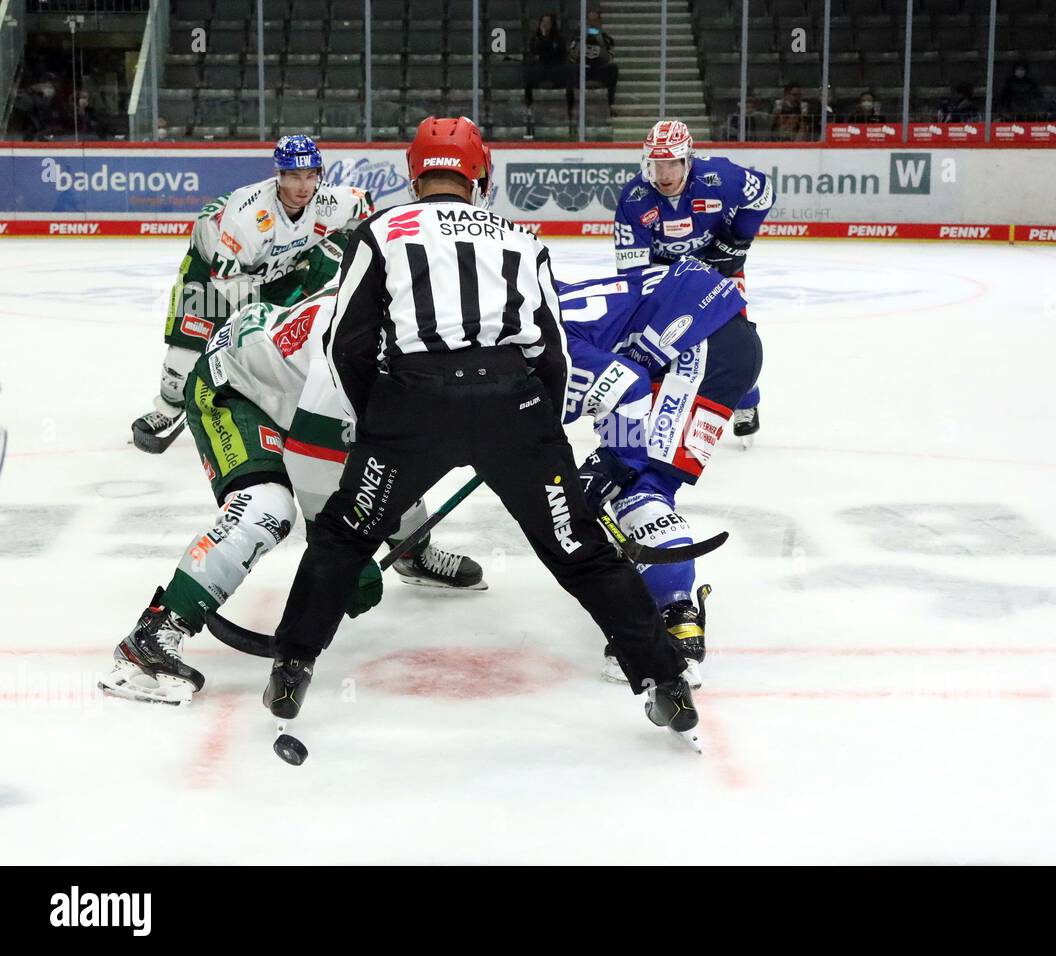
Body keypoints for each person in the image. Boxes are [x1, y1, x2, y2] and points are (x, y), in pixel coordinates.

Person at [261, 116, 699, 742]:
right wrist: (536, 428)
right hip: (511, 405)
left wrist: (380, 418)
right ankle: (666, 683)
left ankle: (293, 664)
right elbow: (553, 352)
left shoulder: (379, 231)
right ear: (480, 173)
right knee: (580, 551)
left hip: (411, 406)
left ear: (415, 174)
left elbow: (346, 342)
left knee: (343, 536)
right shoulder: (520, 238)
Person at [101, 244, 484, 706]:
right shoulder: (351, 342)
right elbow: (315, 462)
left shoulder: (416, 315)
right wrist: (344, 562)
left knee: (391, 459)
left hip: (292, 387)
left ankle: (412, 554)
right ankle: (155, 634)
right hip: (237, 389)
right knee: (267, 508)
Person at [559, 259, 762, 687]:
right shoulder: (536, 302)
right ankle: (673, 608)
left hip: (696, 349)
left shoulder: (547, 345)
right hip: (717, 339)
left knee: (638, 485)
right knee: (636, 470)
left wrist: (613, 463)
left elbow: (626, 383)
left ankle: (674, 624)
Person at [129, 134, 374, 454]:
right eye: (295, 176)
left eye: (311, 175)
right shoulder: (249, 218)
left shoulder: (328, 200)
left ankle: (269, 402)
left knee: (285, 342)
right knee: (184, 357)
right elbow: (227, 278)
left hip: (278, 268)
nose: (304, 186)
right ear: (279, 175)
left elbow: (366, 207)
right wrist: (257, 321)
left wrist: (331, 252)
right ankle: (170, 406)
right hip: (214, 270)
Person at [612, 119, 773, 442]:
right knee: (652, 336)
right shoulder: (634, 198)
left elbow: (763, 193)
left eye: (672, 163)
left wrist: (738, 240)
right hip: (663, 272)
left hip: (718, 265)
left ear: (688, 159)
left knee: (734, 335)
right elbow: (632, 273)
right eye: (658, 164)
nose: (664, 173)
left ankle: (746, 401)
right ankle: (649, 401)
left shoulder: (720, 177)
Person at [524, 13, 574, 123]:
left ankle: (570, 110)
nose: (545, 24)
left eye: (548, 22)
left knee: (569, 76)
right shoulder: (536, 38)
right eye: (543, 22)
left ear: (553, 24)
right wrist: (543, 37)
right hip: (541, 67)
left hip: (555, 67)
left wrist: (547, 50)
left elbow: (560, 52)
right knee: (529, 74)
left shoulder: (559, 38)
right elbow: (534, 51)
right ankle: (529, 108)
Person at [570, 8, 619, 108]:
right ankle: (571, 107)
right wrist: (582, 40)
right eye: (590, 20)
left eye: (595, 21)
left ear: (600, 22)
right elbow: (573, 57)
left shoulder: (607, 39)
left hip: (599, 69)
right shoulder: (577, 38)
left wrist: (601, 43)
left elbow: (608, 58)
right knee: (569, 69)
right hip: (583, 69)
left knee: (613, 69)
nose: (592, 24)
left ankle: (610, 104)